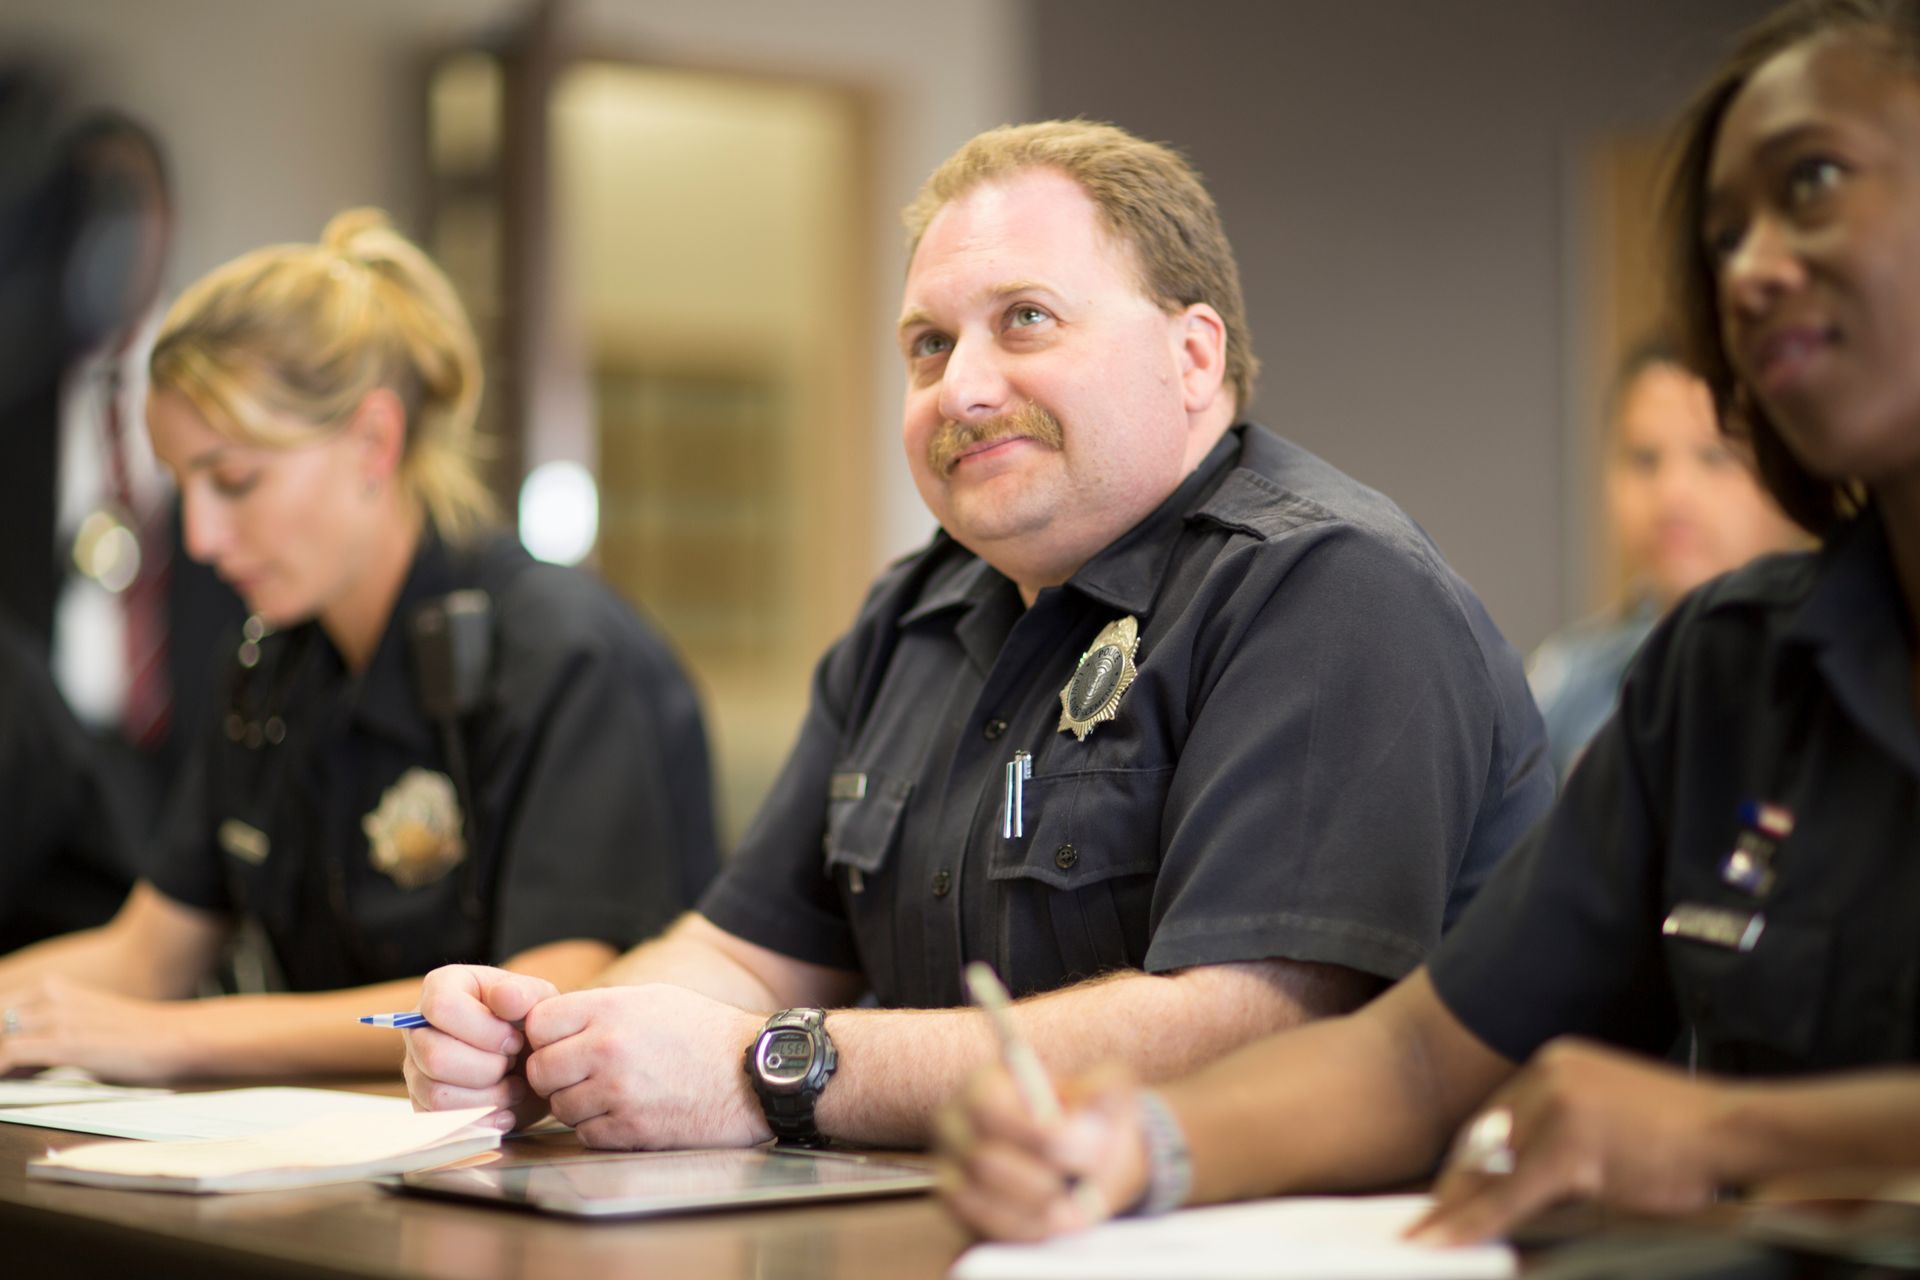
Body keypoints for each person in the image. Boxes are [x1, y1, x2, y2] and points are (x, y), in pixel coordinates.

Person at [936, 0, 1920, 1247]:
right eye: (1726, 234)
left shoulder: (1332, 576)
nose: (1755, 265)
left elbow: (1702, 1130)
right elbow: (1417, 1058)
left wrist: (1732, 1133)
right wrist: (1131, 1143)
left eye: (1816, 183)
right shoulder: (1731, 669)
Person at [402, 121, 1553, 1151]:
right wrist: (555, 1045)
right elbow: (743, 952)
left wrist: (774, 1069)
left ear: (1192, 356)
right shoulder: (914, 614)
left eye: (1026, 320)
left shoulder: (1327, 587)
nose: (963, 387)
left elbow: (1248, 1026)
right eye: (927, 344)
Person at [0, 209, 718, 1082]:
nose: (199, 537)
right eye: (183, 486)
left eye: (235, 481)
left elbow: (547, 997)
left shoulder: (567, 657)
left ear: (373, 440)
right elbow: (146, 955)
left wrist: (169, 1037)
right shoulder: (269, 667)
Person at [1528, 338, 1802, 778]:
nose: (1672, 495)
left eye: (1715, 456)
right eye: (1644, 459)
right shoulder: (1567, 681)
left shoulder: (1844, 669)